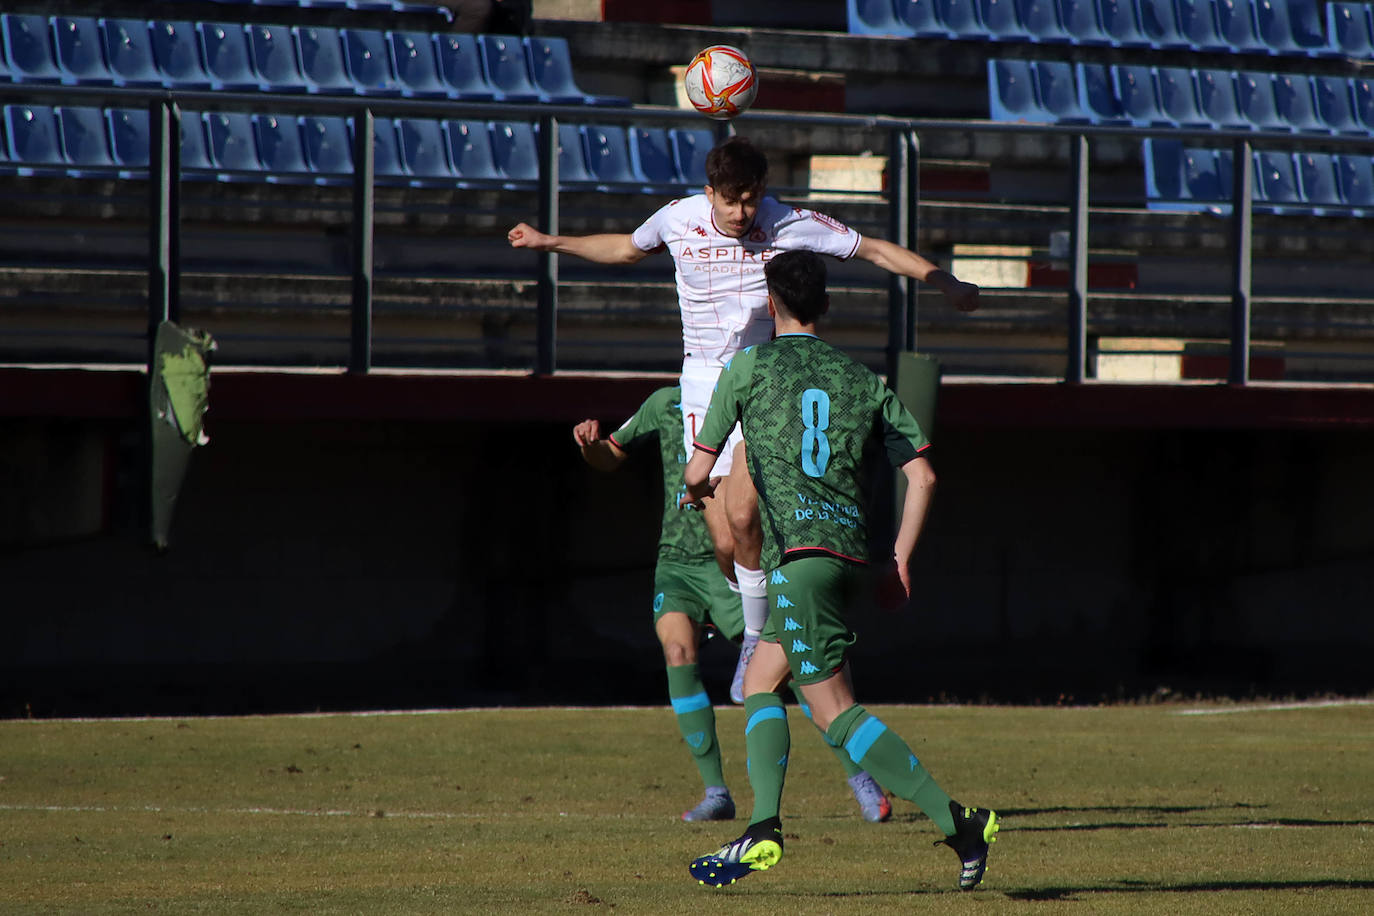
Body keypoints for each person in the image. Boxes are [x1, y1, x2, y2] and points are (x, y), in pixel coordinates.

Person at [510, 136, 981, 706]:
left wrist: (944, 282)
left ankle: (757, 640)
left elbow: (876, 250)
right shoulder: (680, 218)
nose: (740, 213)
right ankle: (760, 617)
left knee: (743, 510)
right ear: (710, 193)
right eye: (730, 202)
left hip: (763, 381)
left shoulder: (785, 222)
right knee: (725, 538)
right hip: (704, 385)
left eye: (750, 201)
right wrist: (549, 241)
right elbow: (626, 249)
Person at [680, 250, 999, 891]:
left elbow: (697, 469)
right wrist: (900, 560)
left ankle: (959, 821)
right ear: (827, 306)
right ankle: (763, 827)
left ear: (770, 305)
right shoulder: (862, 380)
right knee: (764, 682)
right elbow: (924, 475)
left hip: (799, 563)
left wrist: (697, 490)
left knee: (834, 713)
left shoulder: (747, 366)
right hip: (849, 559)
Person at [572, 387, 891, 823]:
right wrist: (591, 446)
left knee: (792, 667)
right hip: (678, 564)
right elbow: (611, 453)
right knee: (676, 651)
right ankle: (716, 792)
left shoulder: (749, 398)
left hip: (737, 563)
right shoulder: (665, 403)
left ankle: (861, 778)